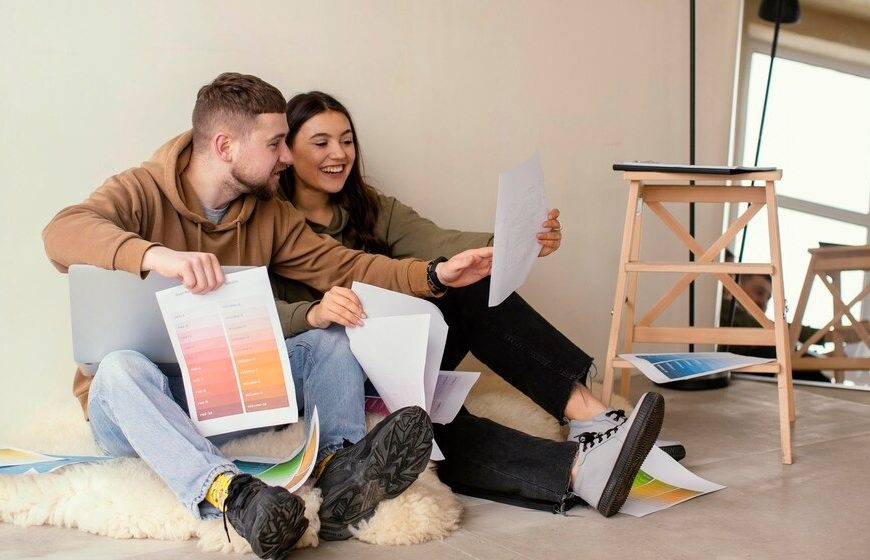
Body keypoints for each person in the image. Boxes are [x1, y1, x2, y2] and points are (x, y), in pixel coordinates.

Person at [42, 73, 497, 557]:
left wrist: (433, 276)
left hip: (231, 393)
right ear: (225, 146)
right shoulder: (139, 190)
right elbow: (62, 231)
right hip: (140, 410)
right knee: (117, 368)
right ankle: (231, 495)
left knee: (332, 337)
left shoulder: (268, 214)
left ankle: (339, 471)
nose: (287, 156)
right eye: (277, 143)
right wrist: (158, 257)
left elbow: (346, 266)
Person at [271, 90, 666, 517]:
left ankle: (593, 418)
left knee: (470, 284)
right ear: (286, 150)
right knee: (421, 426)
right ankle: (574, 470)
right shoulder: (273, 223)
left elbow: (442, 243)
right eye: (321, 142)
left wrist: (518, 242)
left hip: (398, 355)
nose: (338, 154)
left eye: (347, 140)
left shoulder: (370, 207)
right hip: (337, 373)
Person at [721, 273, 868, 382]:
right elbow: (773, 330)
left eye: (768, 298)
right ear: (738, 286)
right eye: (759, 292)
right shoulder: (723, 307)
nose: (762, 302)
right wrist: (832, 337)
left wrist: (820, 357)